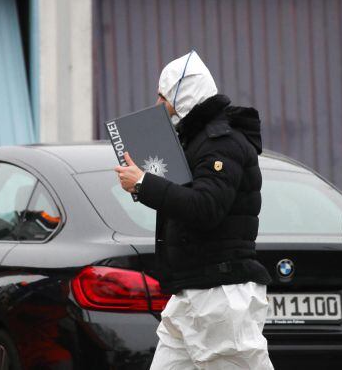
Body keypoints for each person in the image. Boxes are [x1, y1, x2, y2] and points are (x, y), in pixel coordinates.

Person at [115, 50, 273, 369]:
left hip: (220, 294)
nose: (158, 106)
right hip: (192, 291)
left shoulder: (220, 143)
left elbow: (205, 208)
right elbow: (183, 203)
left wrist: (145, 183)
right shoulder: (196, 141)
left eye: (163, 97)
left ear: (182, 94)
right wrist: (141, 184)